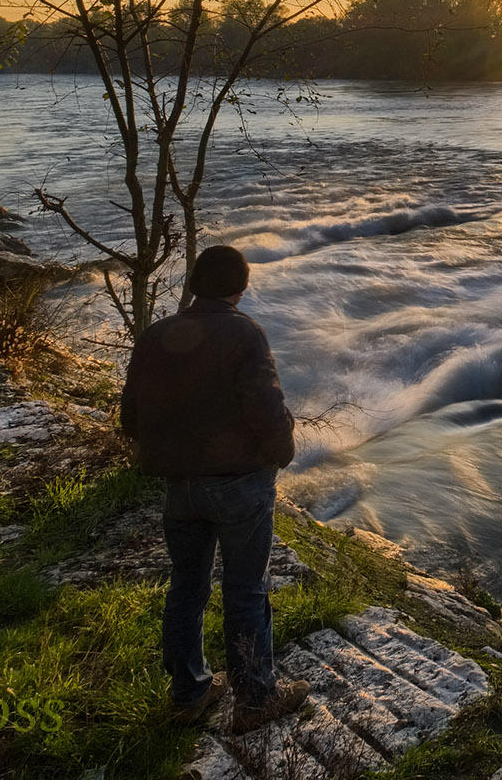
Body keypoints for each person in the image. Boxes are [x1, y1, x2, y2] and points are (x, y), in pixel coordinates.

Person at [119, 244, 308, 732]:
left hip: (177, 487)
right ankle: (255, 701)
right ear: (241, 287)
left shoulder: (154, 336)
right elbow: (266, 410)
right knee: (246, 589)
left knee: (186, 587)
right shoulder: (245, 333)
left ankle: (190, 693)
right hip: (239, 485)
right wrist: (281, 452)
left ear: (195, 283)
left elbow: (130, 418)